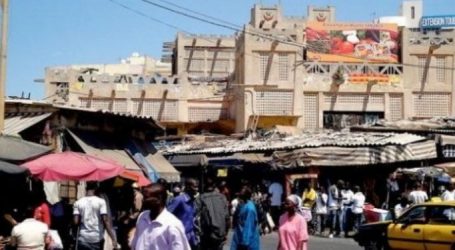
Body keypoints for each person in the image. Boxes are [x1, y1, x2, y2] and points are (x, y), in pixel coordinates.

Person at [131, 183, 190, 250]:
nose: (143, 200)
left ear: (159, 198)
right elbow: (135, 243)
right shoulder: (142, 217)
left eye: (146, 197)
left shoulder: (172, 225)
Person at [73, 181, 118, 250]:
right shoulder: (101, 202)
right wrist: (113, 238)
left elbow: (75, 222)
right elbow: (105, 221)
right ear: (96, 188)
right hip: (97, 238)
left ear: (85, 188)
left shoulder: (78, 203)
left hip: (83, 238)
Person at [196, 178, 230, 250]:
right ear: (214, 186)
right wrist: (225, 233)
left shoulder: (200, 198)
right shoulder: (222, 197)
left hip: (207, 235)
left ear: (204, 185)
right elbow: (227, 218)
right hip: (220, 234)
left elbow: (196, 217)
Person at [168, 178, 199, 249]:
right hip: (180, 236)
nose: (197, 189)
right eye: (195, 187)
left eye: (197, 187)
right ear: (188, 187)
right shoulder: (179, 200)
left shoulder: (193, 201)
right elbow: (167, 215)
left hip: (191, 236)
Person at [231, 186, 260, 250]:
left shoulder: (250, 209)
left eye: (241, 196)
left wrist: (244, 244)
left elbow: (248, 228)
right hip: (239, 238)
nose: (238, 198)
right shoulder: (242, 205)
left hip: (246, 244)